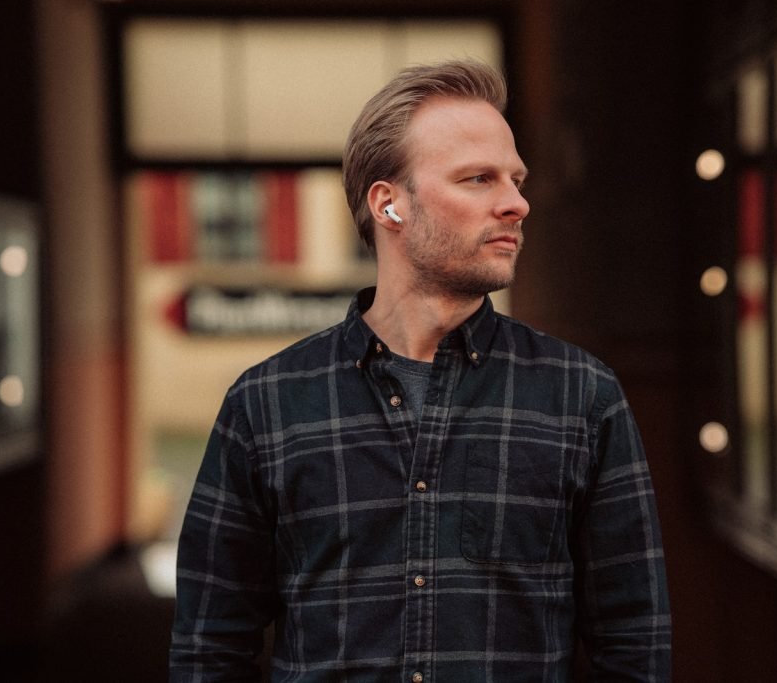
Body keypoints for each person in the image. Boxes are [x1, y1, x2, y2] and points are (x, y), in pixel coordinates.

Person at [170, 60, 671, 682]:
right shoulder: (267, 402)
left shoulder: (582, 397)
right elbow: (209, 646)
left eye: (516, 179)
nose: (517, 203)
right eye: (478, 179)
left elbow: (634, 643)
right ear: (389, 204)